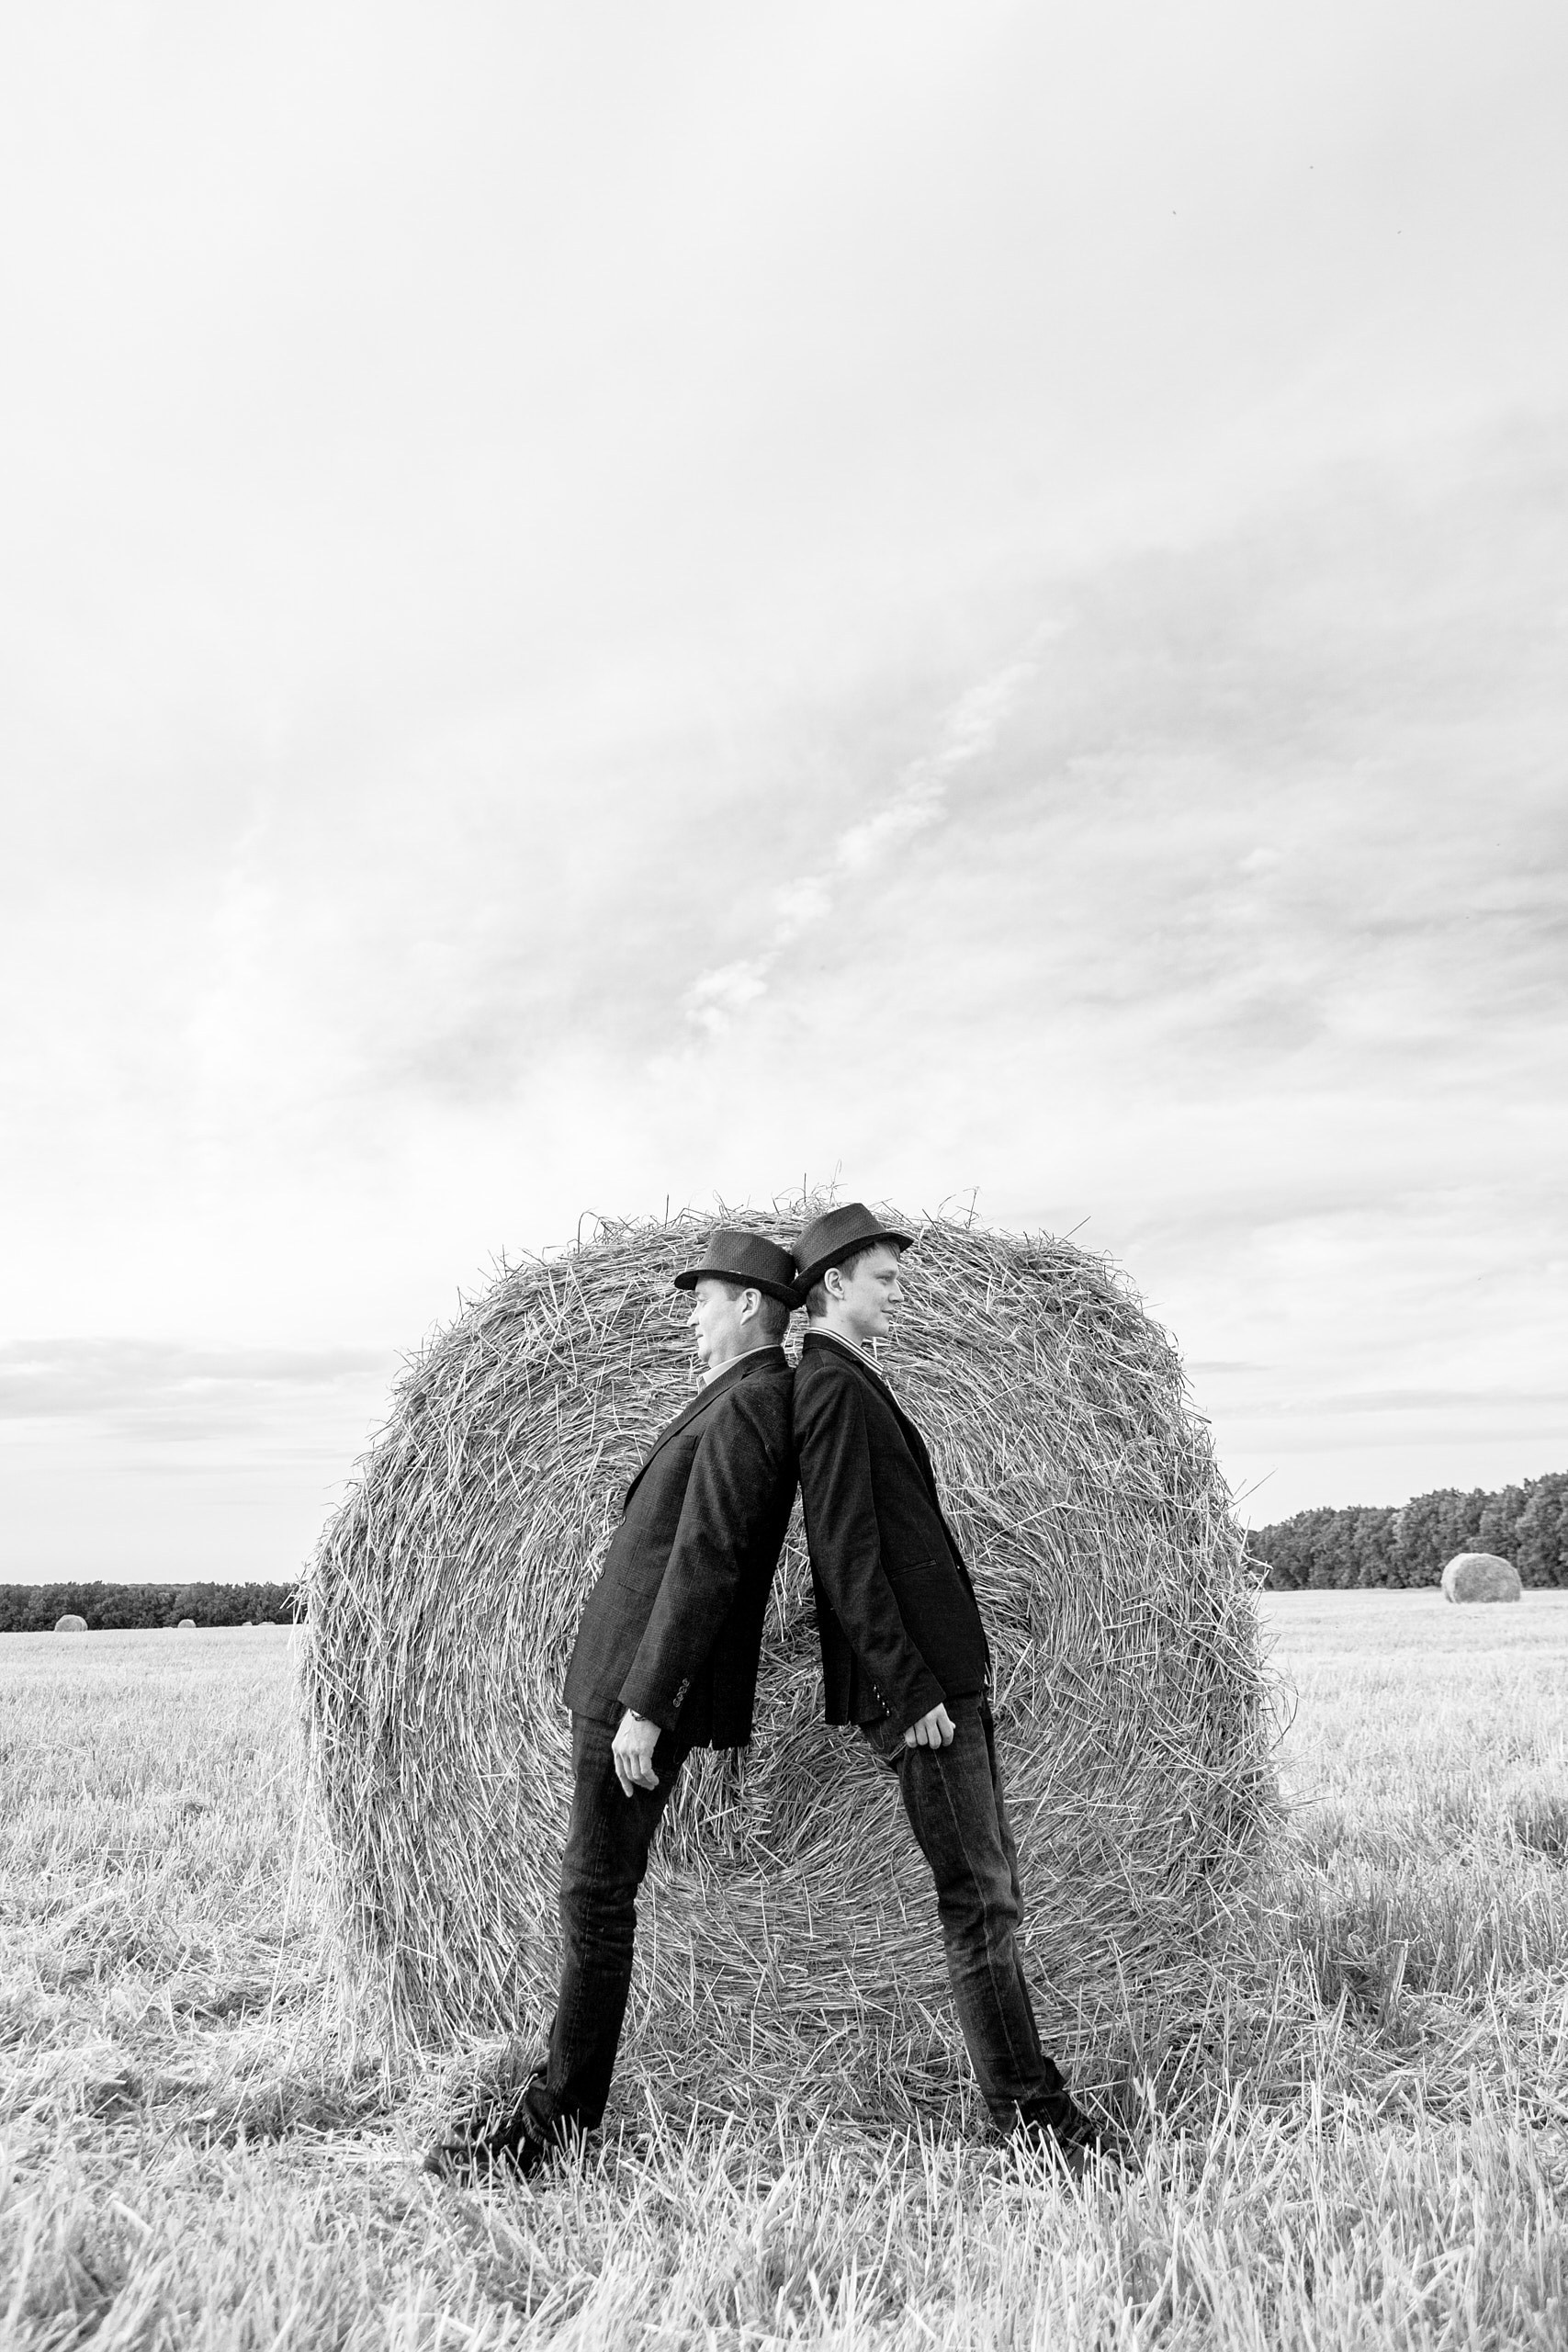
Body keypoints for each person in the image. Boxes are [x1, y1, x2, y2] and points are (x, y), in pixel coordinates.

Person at [425, 1226, 799, 2184]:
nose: (691, 1317)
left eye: (702, 1300)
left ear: (748, 1304)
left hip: (638, 1694)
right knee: (592, 1893)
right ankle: (560, 2099)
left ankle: (554, 2127)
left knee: (596, 1897)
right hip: (623, 1682)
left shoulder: (754, 1402)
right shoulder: (733, 1396)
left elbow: (707, 1563)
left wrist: (649, 1703)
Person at [789, 1202, 1123, 2179]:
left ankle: (1028, 2095)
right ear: (834, 1283)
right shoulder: (829, 1386)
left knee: (991, 1892)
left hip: (943, 1681)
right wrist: (910, 1687)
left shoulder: (852, 1379)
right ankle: (1029, 2118)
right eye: (884, 1279)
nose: (897, 1294)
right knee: (979, 1902)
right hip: (922, 1694)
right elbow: (846, 1555)